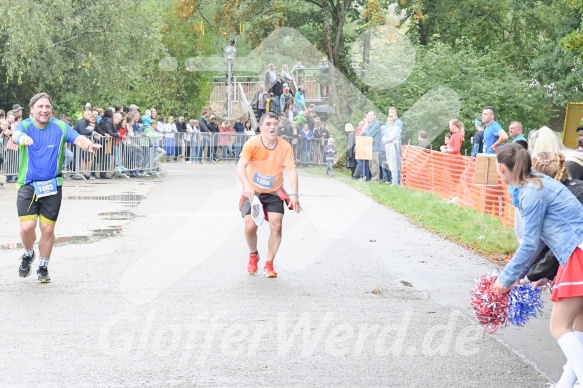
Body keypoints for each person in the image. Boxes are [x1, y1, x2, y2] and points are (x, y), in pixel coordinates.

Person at [493, 143, 583, 387]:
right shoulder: (537, 183)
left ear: (501, 168)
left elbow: (530, 244)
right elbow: (542, 241)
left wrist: (506, 278)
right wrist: (529, 275)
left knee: (559, 326)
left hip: (578, 253)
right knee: (577, 326)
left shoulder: (532, 190)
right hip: (574, 252)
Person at [13, 93, 101, 283]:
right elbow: (16, 134)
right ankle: (28, 254)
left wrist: (90, 145)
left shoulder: (60, 126)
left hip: (52, 185)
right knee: (27, 227)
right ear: (32, 110)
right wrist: (21, 138)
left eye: (47, 107)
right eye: (40, 107)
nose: (44, 110)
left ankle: (43, 266)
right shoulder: (26, 125)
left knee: (47, 230)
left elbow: (78, 138)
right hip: (28, 185)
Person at [236, 112, 301, 278]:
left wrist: (294, 194)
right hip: (253, 191)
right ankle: (253, 254)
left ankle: (269, 263)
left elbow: (291, 171)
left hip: (274, 190)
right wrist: (247, 186)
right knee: (250, 227)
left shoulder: (285, 147)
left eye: (275, 124)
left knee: (276, 226)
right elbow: (240, 167)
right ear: (261, 127)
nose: (272, 127)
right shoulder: (252, 144)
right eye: (268, 124)